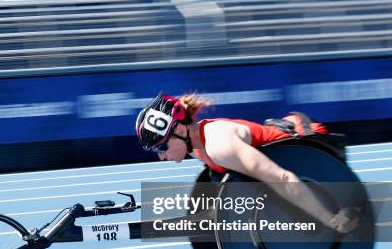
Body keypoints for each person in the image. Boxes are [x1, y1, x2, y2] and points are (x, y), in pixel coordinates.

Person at [135, 91, 359, 233]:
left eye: (161, 146)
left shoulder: (220, 146)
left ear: (181, 128)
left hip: (309, 148)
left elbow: (283, 178)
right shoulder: (195, 145)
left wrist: (330, 220)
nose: (161, 156)